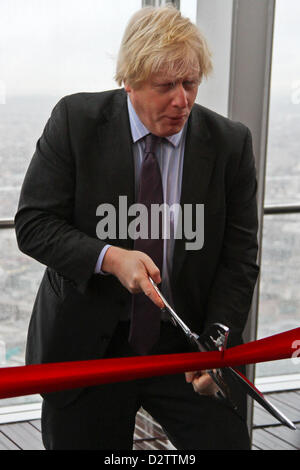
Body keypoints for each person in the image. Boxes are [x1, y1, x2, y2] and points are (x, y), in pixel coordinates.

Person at [15, 5, 259, 450]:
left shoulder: (230, 143)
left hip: (187, 344)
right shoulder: (75, 122)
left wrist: (215, 342)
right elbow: (33, 223)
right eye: (166, 86)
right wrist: (109, 257)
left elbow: (238, 259)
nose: (182, 100)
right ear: (128, 81)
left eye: (191, 83)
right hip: (90, 344)